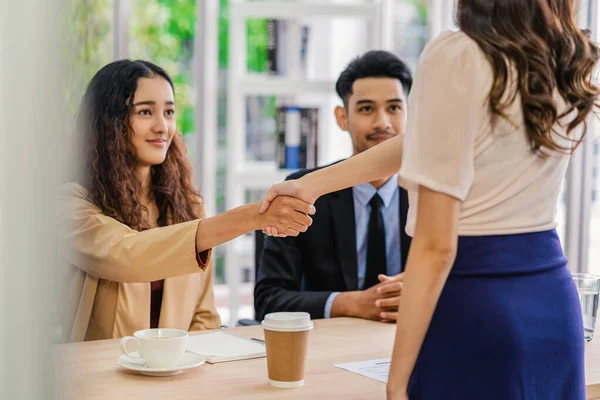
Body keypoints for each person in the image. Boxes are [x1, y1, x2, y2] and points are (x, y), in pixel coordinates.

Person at [259, 0, 599, 398]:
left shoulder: (458, 54)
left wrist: (398, 381)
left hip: (476, 301)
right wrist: (314, 184)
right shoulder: (565, 58)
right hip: (551, 301)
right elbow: (427, 140)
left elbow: (436, 247)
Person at [56, 60, 314, 342]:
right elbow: (130, 255)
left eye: (168, 111)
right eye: (145, 112)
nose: (162, 126)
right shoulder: (72, 203)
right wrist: (253, 216)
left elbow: (204, 315)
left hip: (176, 374)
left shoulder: (186, 205)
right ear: (108, 122)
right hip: (101, 376)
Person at [254, 51, 413, 322]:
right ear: (342, 117)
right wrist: (350, 303)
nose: (382, 122)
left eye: (394, 108)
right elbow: (268, 300)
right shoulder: (303, 191)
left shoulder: (433, 192)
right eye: (366, 109)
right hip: (329, 347)